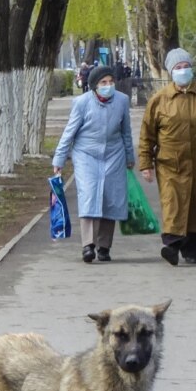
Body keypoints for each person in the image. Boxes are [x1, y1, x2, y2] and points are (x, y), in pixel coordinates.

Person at [137, 48, 196, 266]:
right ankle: (172, 246)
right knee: (173, 203)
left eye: (186, 66)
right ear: (171, 72)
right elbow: (147, 134)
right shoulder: (160, 99)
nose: (183, 71)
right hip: (170, 164)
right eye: (178, 68)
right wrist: (145, 163)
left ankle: (192, 251)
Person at [52, 65, 136, 263]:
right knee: (89, 195)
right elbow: (69, 132)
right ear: (94, 86)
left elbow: (126, 131)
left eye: (111, 82)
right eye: (103, 83)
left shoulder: (122, 101)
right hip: (86, 154)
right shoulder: (82, 103)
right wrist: (59, 159)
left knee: (111, 198)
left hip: (114, 154)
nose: (108, 86)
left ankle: (104, 246)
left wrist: (130, 157)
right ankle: (88, 245)